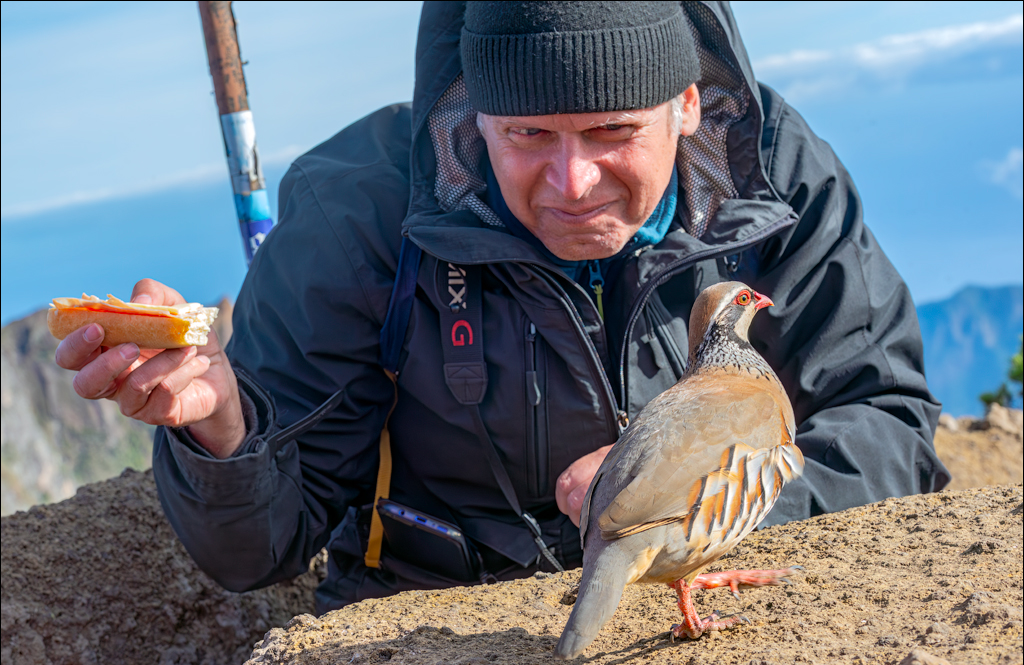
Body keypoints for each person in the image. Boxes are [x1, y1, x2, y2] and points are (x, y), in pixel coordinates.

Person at [55, 1, 949, 613]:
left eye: (612, 131)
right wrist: (222, 433)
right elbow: (257, 550)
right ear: (472, 111)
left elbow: (887, 423)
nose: (571, 183)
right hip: (432, 620)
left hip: (706, 606)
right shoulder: (361, 210)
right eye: (527, 135)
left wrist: (683, 512)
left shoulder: (772, 180)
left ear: (685, 104)